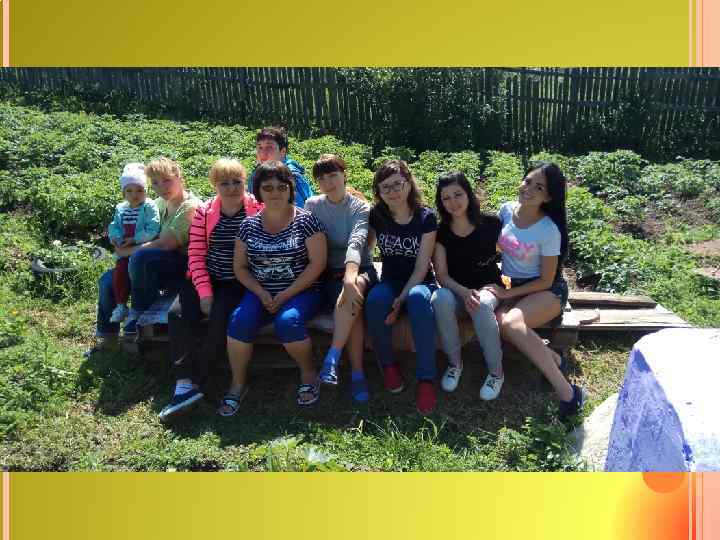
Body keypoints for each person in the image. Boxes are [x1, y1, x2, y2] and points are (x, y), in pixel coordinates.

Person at [158, 159, 263, 421]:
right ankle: (183, 382)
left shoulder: (257, 209)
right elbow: (195, 254)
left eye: (237, 182)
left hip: (237, 282)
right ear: (214, 185)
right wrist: (204, 293)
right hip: (204, 277)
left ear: (245, 182)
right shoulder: (204, 212)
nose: (232, 188)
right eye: (224, 183)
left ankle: (200, 381)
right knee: (177, 314)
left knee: (218, 318)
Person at [220, 161, 327, 416]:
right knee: (239, 321)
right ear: (258, 191)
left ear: (290, 189)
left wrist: (285, 294)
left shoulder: (307, 222)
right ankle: (238, 383)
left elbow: (317, 264)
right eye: (267, 188)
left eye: (281, 187)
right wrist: (260, 292)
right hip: (261, 290)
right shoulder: (248, 225)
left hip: (304, 290)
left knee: (288, 322)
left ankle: (309, 373)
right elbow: (240, 267)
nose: (275, 193)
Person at [484, 161, 585, 421]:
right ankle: (554, 358)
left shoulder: (548, 229)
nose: (528, 189)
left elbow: (546, 279)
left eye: (539, 187)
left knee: (511, 324)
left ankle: (569, 394)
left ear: (548, 197)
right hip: (515, 286)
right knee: (499, 323)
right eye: (528, 181)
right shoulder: (506, 210)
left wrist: (505, 294)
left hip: (547, 290)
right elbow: (496, 246)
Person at [90, 158, 200, 350]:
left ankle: (138, 316)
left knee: (141, 258)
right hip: (153, 264)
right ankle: (107, 337)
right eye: (155, 183)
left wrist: (126, 251)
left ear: (179, 177)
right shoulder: (159, 203)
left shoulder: (190, 206)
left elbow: (166, 244)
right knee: (107, 280)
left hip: (183, 267)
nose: (161, 187)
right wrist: (118, 236)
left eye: (167, 180)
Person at [365, 159, 438, 415]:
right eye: (385, 187)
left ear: (409, 183)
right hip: (390, 280)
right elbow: (366, 249)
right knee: (375, 300)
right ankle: (388, 365)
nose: (393, 191)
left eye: (397, 184)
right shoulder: (377, 215)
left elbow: (422, 267)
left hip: (421, 282)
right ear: (379, 192)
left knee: (417, 298)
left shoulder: (426, 217)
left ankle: (426, 378)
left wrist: (401, 300)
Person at [305, 154, 378, 403]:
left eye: (333, 175)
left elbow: (356, 243)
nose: (328, 182)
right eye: (321, 178)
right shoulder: (313, 205)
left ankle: (333, 359)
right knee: (351, 305)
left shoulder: (359, 206)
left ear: (344, 175)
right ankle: (356, 373)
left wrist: (349, 278)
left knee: (352, 291)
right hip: (328, 273)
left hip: (360, 270)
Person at [430, 172, 506, 399]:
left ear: (468, 194)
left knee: (481, 303)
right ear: (441, 203)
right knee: (439, 299)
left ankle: (496, 372)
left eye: (458, 195)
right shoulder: (442, 232)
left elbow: (514, 252)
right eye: (446, 198)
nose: (453, 202)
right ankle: (455, 364)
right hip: (457, 291)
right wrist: (464, 292)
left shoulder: (491, 224)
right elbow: (442, 275)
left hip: (489, 289)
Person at [107, 163, 161, 324]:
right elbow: (114, 226)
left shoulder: (149, 206)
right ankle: (121, 305)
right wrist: (115, 237)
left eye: (139, 190)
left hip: (142, 248)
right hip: (125, 247)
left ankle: (140, 311)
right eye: (129, 191)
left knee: (136, 274)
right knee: (119, 274)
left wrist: (134, 239)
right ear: (123, 193)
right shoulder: (121, 208)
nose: (134, 195)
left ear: (146, 191)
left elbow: (153, 228)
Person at [247, 126, 313, 208]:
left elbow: (300, 210)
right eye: (260, 147)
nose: (263, 152)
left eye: (269, 147)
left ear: (283, 152)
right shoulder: (254, 176)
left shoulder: (292, 176)